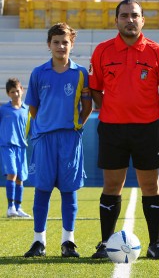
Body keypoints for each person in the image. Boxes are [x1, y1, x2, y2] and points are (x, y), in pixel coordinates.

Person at [89, 0, 159, 259]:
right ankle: (105, 244)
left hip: (146, 129)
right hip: (112, 129)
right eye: (124, 15)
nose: (130, 20)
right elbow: (95, 89)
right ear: (116, 20)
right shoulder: (103, 51)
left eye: (134, 15)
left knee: (151, 185)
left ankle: (155, 245)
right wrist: (114, 109)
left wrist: (150, 112)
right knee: (112, 184)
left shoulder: (157, 52)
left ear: (142, 20)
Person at [23, 23, 92, 258]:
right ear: (49, 45)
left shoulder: (81, 73)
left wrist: (76, 126)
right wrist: (47, 124)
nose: (61, 46)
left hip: (70, 139)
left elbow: (87, 106)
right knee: (41, 190)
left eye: (65, 42)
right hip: (44, 139)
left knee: (68, 191)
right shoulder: (38, 73)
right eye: (56, 42)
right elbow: (33, 107)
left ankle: (68, 241)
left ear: (72, 44)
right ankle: (38, 241)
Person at [0, 78, 31, 218]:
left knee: (20, 177)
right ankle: (10, 207)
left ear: (22, 90)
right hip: (7, 146)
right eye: (12, 92)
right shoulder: (3, 110)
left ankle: (18, 208)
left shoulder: (27, 110)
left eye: (17, 91)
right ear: (8, 94)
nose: (16, 94)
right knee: (12, 173)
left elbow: (31, 128)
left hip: (22, 148)